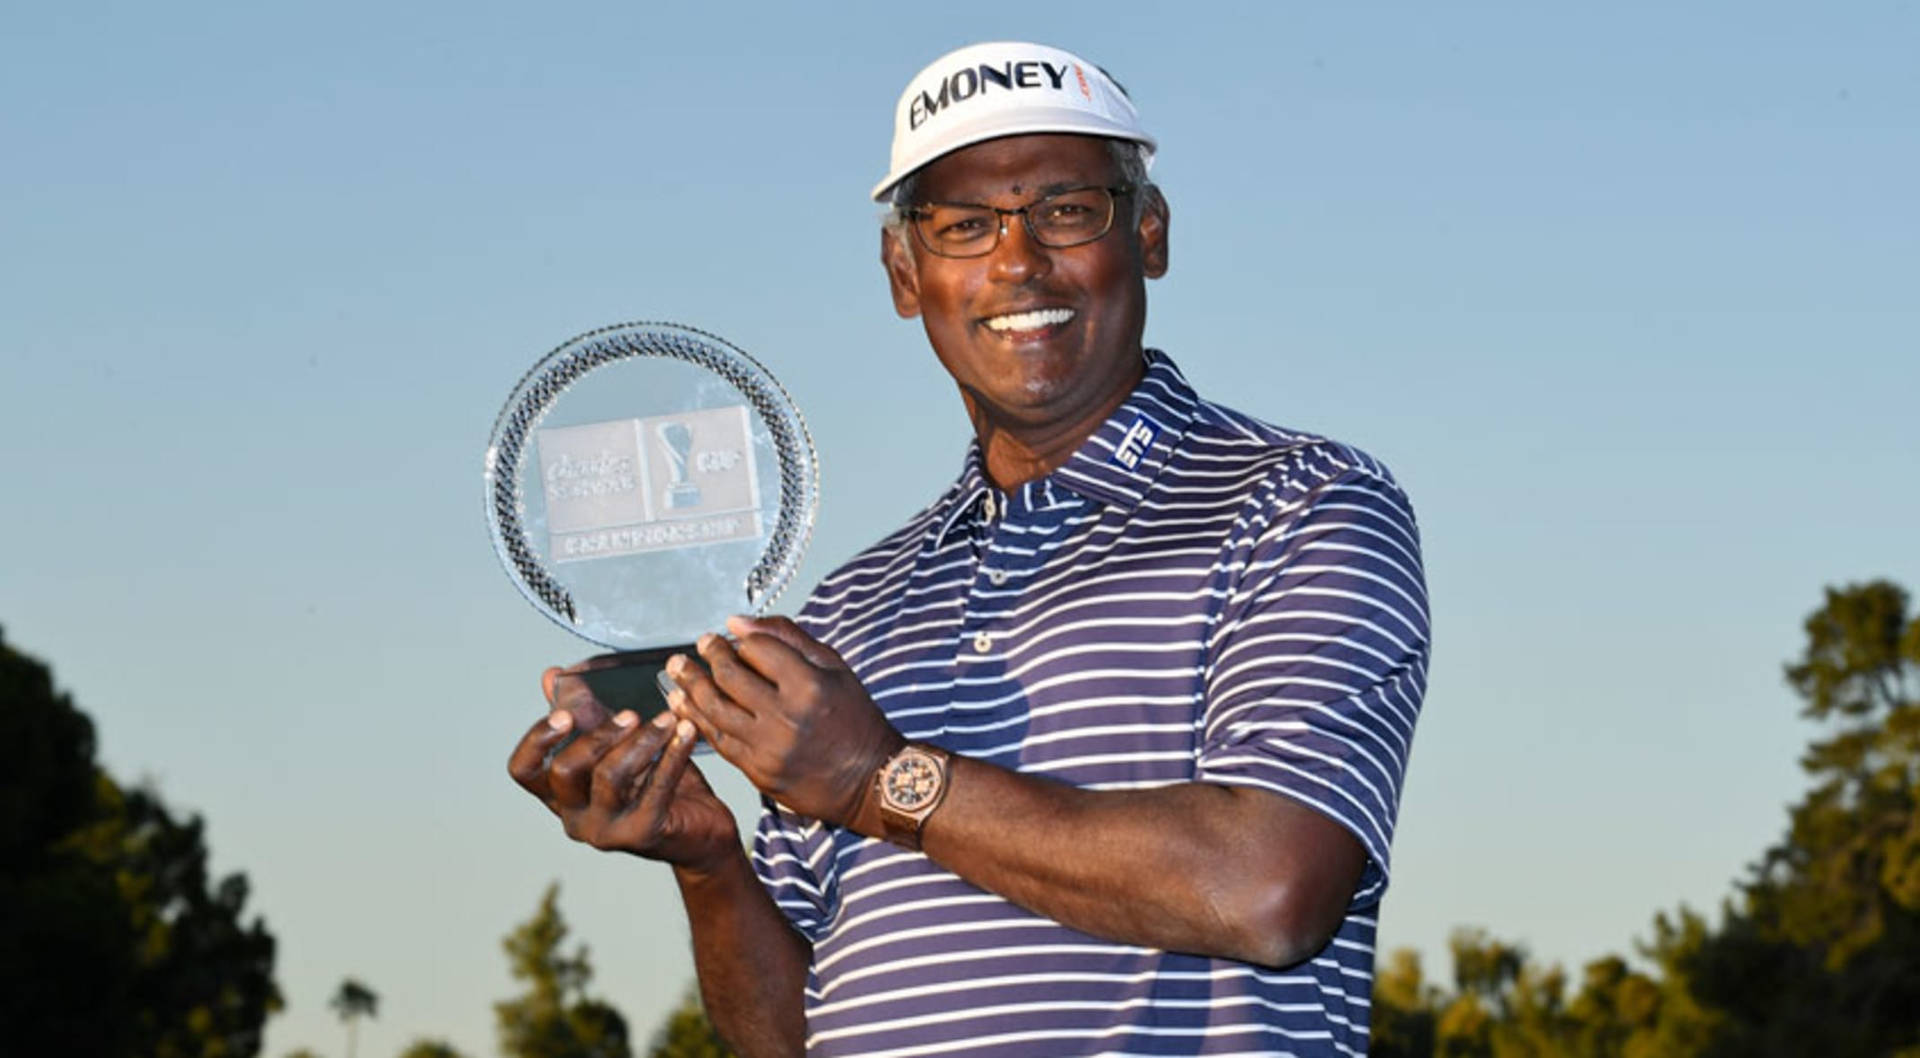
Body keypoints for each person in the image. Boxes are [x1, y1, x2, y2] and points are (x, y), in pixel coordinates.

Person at [509, 41, 1430, 1058]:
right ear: (905, 272)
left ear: (1149, 234)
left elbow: (1268, 888)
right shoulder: (853, 610)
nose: (1018, 261)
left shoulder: (1300, 504)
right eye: (964, 225)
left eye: (1067, 210)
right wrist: (711, 861)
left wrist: (878, 777)